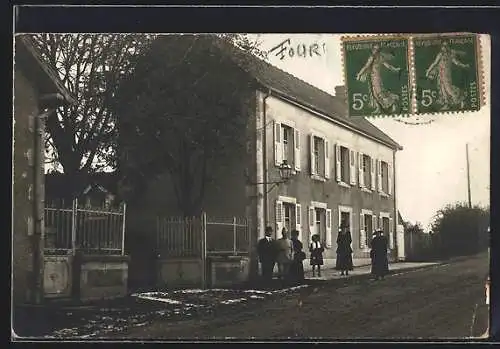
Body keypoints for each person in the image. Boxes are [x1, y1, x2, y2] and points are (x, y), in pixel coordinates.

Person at [356, 44, 401, 114]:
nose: (375, 51)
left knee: (380, 93)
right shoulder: (376, 57)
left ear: (378, 51)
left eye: (377, 50)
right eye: (374, 49)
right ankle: (379, 108)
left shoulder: (376, 57)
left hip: (375, 78)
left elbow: (366, 66)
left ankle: (393, 103)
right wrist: (395, 69)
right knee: (375, 95)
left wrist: (359, 74)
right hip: (372, 78)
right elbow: (388, 66)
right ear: (372, 50)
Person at [425, 41, 469, 111]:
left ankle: (462, 99)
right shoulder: (440, 55)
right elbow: (434, 63)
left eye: (446, 46)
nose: (444, 48)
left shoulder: (451, 55)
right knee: (443, 90)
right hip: (440, 74)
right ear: (441, 47)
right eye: (443, 46)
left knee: (449, 89)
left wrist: (464, 65)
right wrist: (428, 71)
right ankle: (447, 104)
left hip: (447, 75)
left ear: (448, 47)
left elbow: (456, 62)